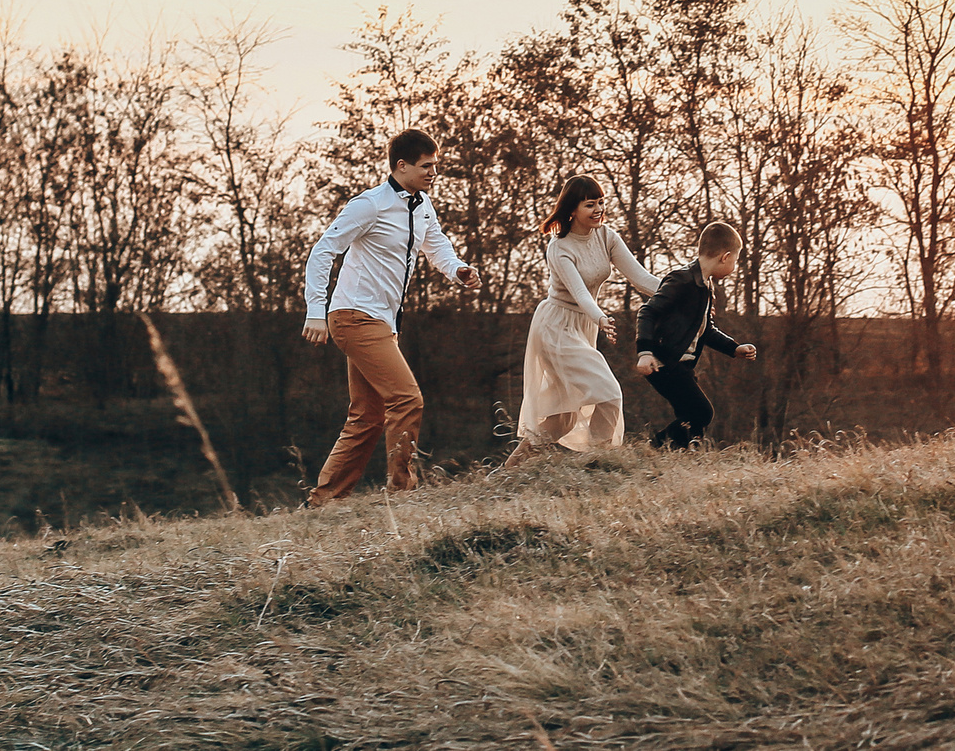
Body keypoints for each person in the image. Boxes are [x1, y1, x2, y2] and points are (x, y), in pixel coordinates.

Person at [301, 129, 477, 506]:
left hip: (383, 323)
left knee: (367, 416)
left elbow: (437, 246)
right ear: (401, 166)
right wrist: (316, 310)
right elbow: (322, 251)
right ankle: (401, 493)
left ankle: (323, 501)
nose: (433, 172)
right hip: (353, 316)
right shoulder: (370, 204)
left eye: (435, 165)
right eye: (426, 166)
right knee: (407, 399)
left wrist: (458, 269)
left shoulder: (422, 205)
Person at [504, 175, 659, 467]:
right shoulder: (559, 247)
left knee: (563, 418)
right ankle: (598, 464)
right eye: (590, 204)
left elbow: (641, 278)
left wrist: (685, 294)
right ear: (572, 209)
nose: (599, 209)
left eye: (601, 202)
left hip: (583, 326)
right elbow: (580, 294)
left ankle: (507, 473)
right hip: (556, 327)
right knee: (608, 392)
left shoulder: (606, 236)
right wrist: (600, 317)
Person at [634, 221, 757, 450]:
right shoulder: (681, 281)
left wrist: (733, 348)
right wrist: (645, 352)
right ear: (725, 257)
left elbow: (705, 330)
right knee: (702, 412)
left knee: (692, 418)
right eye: (735, 260)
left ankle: (681, 454)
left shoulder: (705, 287)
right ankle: (653, 448)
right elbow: (647, 312)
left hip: (681, 364)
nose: (735, 265)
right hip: (663, 361)